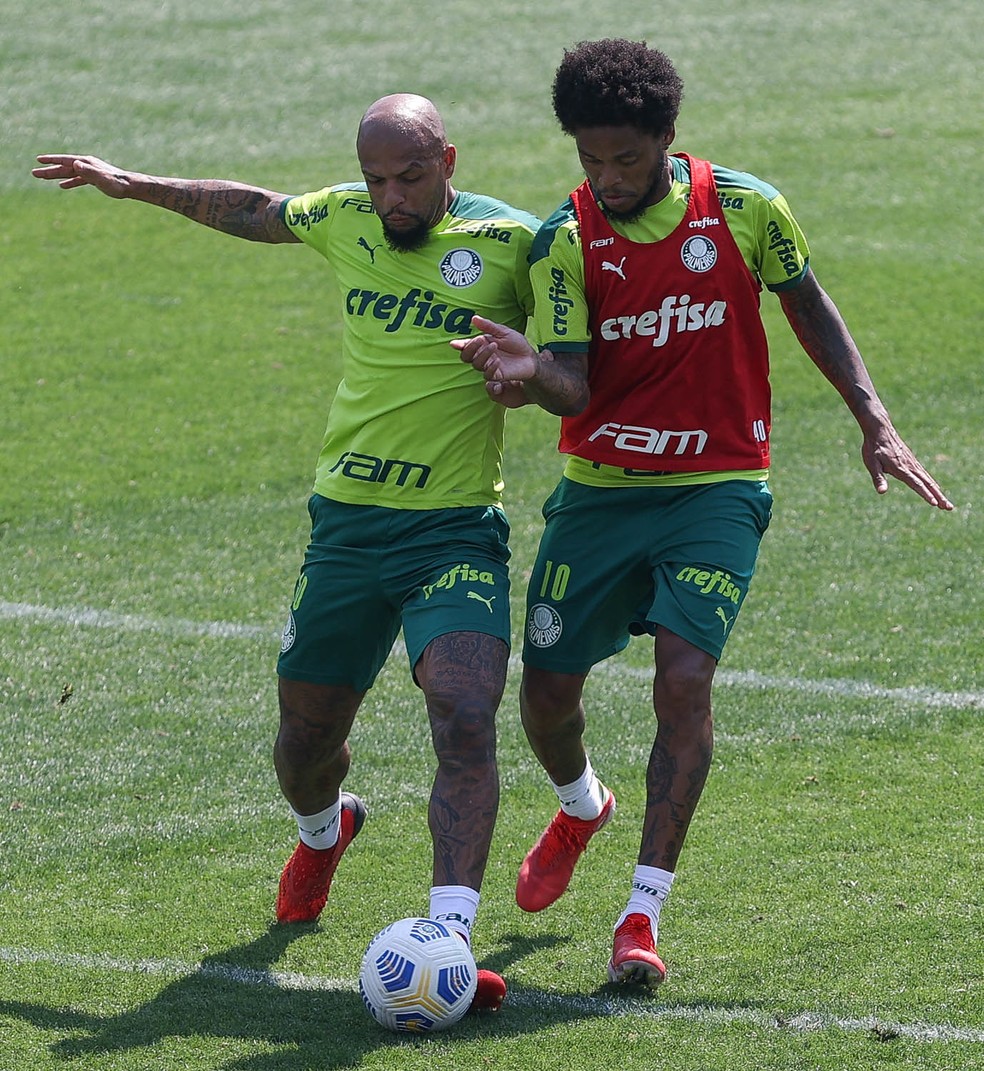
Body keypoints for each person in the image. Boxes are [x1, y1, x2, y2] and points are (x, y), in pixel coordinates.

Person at [453, 39, 952, 990]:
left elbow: (810, 306)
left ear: (667, 140)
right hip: (600, 494)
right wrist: (531, 378)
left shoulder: (747, 209)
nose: (605, 178)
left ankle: (641, 914)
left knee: (683, 683)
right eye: (589, 160)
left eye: (625, 160)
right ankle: (580, 805)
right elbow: (573, 382)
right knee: (547, 696)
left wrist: (873, 420)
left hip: (719, 488)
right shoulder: (567, 239)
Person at [34, 93, 543, 1011]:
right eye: (376, 178)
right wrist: (130, 183)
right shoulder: (346, 216)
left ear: (450, 161)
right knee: (305, 740)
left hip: (455, 528)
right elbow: (254, 209)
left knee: (465, 712)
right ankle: (322, 830)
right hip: (346, 526)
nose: (389, 198)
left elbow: (578, 361)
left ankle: (449, 940)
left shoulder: (516, 243)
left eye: (410, 177)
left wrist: (531, 374)